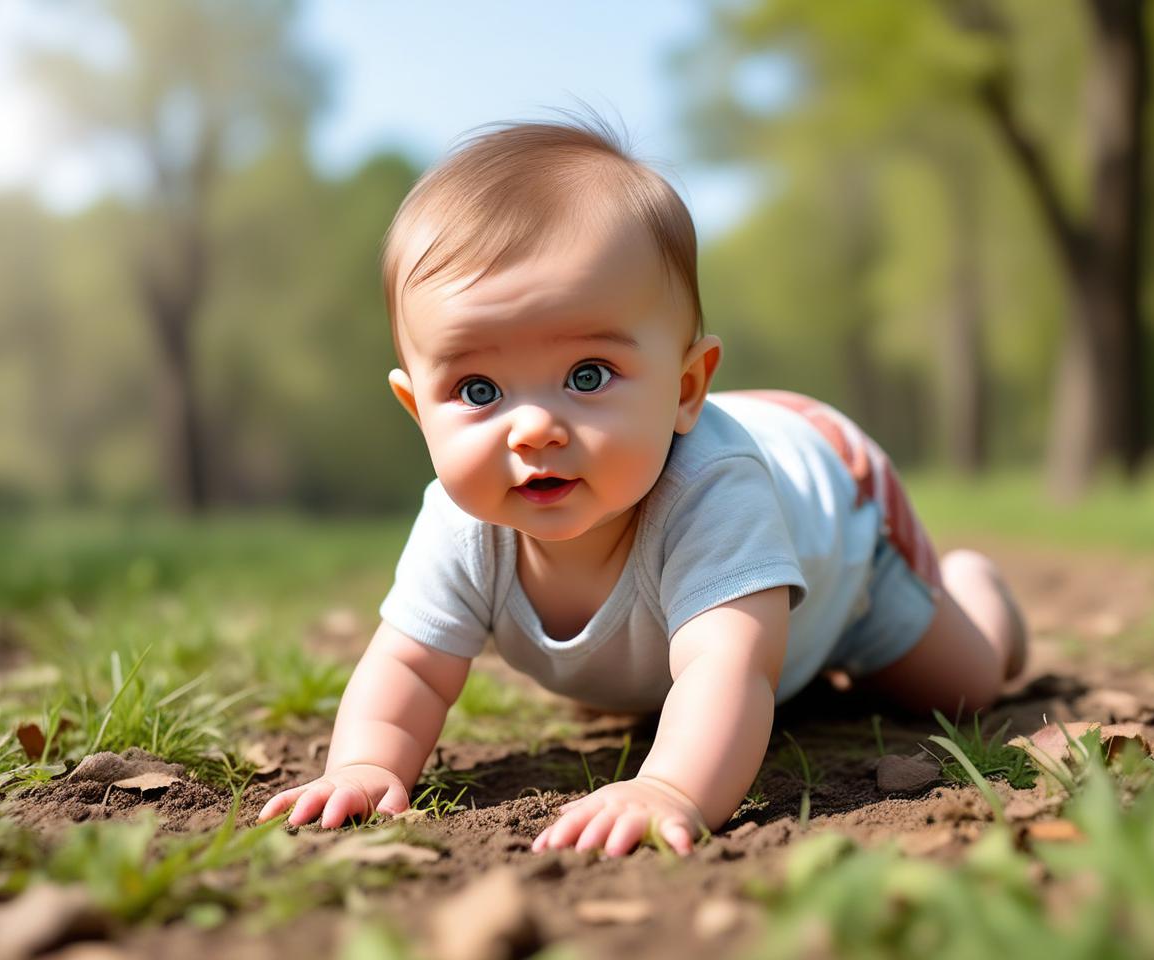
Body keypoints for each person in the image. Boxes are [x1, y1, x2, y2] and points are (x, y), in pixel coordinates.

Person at [256, 114, 1027, 857]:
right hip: (733, 528)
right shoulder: (461, 527)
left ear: (687, 387)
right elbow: (409, 668)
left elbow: (730, 669)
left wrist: (669, 787)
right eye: (480, 390)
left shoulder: (712, 493)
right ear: (416, 410)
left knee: (964, 685)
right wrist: (365, 766)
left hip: (840, 512)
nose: (533, 430)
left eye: (587, 376)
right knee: (665, 681)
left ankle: (972, 591)